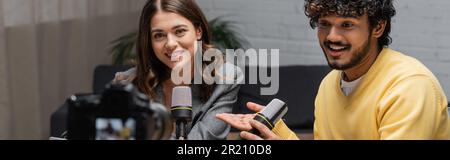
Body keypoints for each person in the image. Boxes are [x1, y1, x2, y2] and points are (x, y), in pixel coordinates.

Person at [217, 0, 450, 140]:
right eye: (324, 25)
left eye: (347, 25)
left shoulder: (410, 86)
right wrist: (277, 131)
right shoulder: (330, 84)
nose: (332, 37)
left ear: (378, 27)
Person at [114, 0, 242, 140]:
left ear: (198, 31)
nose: (170, 44)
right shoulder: (127, 84)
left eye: (179, 31)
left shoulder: (225, 78)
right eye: (159, 35)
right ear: (149, 42)